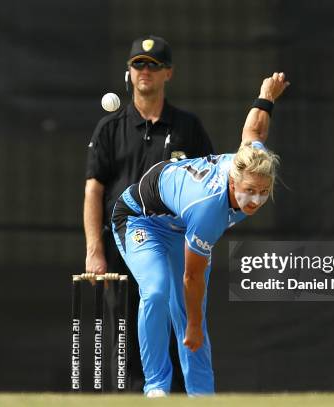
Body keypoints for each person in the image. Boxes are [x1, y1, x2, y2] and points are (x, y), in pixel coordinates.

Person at [111, 72, 289, 397]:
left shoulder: (250, 159)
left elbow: (254, 129)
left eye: (264, 192)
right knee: (158, 292)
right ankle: (156, 389)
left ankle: (202, 398)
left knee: (191, 312)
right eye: (250, 191)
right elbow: (192, 277)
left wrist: (266, 95)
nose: (256, 200)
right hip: (139, 219)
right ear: (234, 182)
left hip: (177, 226)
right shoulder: (210, 209)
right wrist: (191, 326)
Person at [84, 35, 215, 392]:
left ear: (167, 73)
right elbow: (94, 190)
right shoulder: (110, 128)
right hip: (123, 240)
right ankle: (134, 396)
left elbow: (208, 184)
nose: (145, 71)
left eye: (153, 65)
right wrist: (95, 249)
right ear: (129, 72)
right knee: (124, 328)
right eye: (138, 64)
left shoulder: (188, 127)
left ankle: (175, 395)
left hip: (173, 239)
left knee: (178, 319)